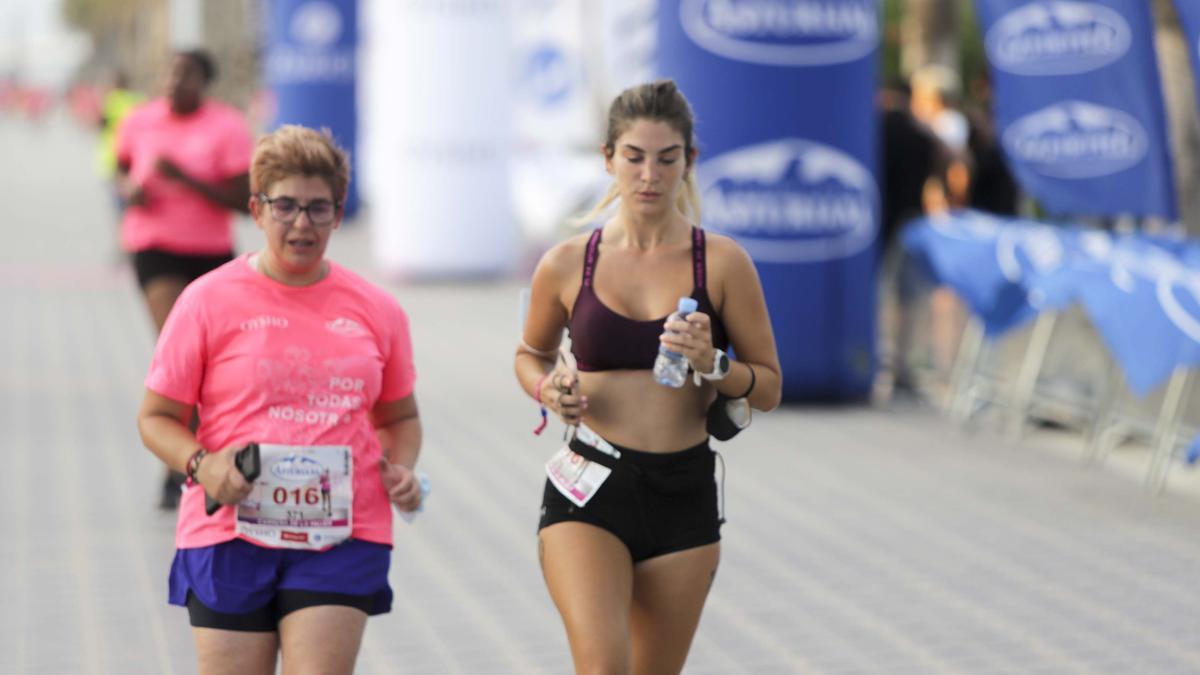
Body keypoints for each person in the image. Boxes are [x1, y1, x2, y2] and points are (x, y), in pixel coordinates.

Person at [514, 80, 782, 675]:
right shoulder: (566, 262)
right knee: (603, 666)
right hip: (589, 484)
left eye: (667, 158)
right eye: (633, 157)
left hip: (682, 492)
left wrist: (713, 363)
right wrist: (546, 388)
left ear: (689, 160)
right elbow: (528, 354)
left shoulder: (722, 262)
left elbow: (768, 386)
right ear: (608, 157)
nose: (649, 175)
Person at [136, 125, 424, 675]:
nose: (301, 223)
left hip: (342, 529)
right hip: (229, 529)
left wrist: (402, 469)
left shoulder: (378, 310)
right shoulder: (207, 301)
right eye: (286, 205)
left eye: (319, 209)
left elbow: (401, 416)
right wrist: (202, 464)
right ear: (257, 209)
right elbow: (155, 417)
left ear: (339, 215)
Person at [115, 49, 254, 508]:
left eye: (186, 75)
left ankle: (198, 462)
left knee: (212, 365)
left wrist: (187, 179)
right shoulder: (139, 120)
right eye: (169, 73)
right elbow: (121, 167)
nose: (175, 82)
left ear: (204, 81)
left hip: (211, 255)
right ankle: (180, 468)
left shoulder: (226, 126)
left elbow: (242, 200)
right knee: (179, 355)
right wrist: (129, 192)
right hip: (154, 249)